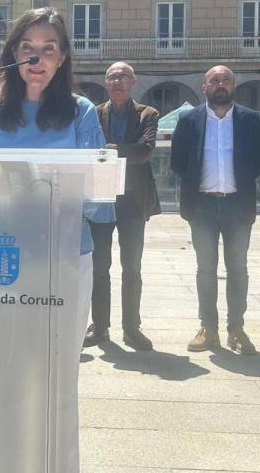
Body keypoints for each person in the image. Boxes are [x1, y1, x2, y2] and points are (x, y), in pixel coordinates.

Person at [0, 6, 114, 473]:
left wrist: (55, 192)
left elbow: (101, 201)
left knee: (55, 372)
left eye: (48, 49)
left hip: (62, 257)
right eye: (27, 49)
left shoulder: (82, 112)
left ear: (63, 57)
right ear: (11, 55)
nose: (37, 59)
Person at [171, 65, 260, 354]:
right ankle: (208, 328)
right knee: (205, 269)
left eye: (226, 80)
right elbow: (177, 160)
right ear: (205, 87)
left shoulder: (250, 119)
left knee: (238, 269)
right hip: (201, 205)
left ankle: (236, 329)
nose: (220, 84)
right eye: (214, 81)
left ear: (234, 85)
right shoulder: (189, 119)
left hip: (238, 205)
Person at [83, 61, 160, 351]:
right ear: (105, 83)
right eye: (112, 77)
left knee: (132, 267)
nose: (116, 82)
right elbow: (86, 150)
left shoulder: (147, 114)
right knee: (99, 266)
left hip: (133, 199)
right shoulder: (93, 113)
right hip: (100, 196)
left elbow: (144, 151)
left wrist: (109, 150)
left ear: (133, 82)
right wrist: (118, 152)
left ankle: (132, 328)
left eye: (122, 77)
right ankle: (100, 327)